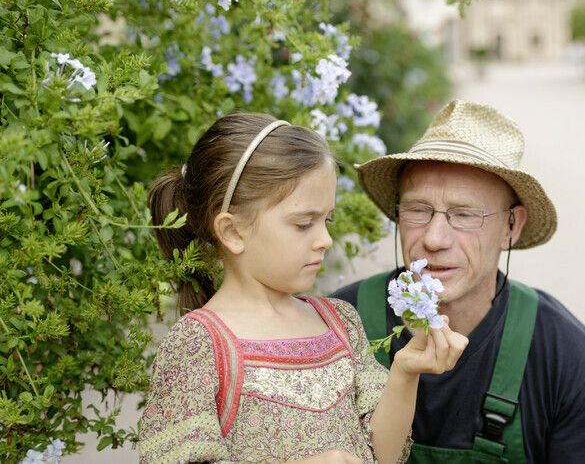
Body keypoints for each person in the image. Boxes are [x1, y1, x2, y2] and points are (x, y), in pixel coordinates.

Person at [138, 113, 468, 463]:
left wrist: (405, 370)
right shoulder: (200, 345)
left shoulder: (340, 322)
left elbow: (382, 456)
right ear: (233, 232)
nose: (325, 240)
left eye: (327, 220)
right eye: (303, 223)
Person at [332, 100, 585, 463]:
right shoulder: (337, 326)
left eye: (464, 214)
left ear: (511, 227)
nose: (434, 238)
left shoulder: (562, 352)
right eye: (418, 209)